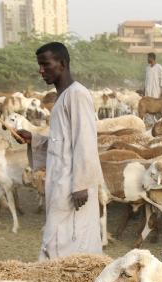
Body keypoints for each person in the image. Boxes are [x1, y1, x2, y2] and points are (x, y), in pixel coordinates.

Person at [16, 42, 103, 261]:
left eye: (46, 65)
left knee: (69, 241)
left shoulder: (77, 95)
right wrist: (34, 139)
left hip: (73, 186)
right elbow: (61, 143)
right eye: (39, 65)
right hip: (60, 183)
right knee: (61, 241)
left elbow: (85, 141)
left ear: (62, 64)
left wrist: (81, 185)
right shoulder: (62, 97)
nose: (41, 71)